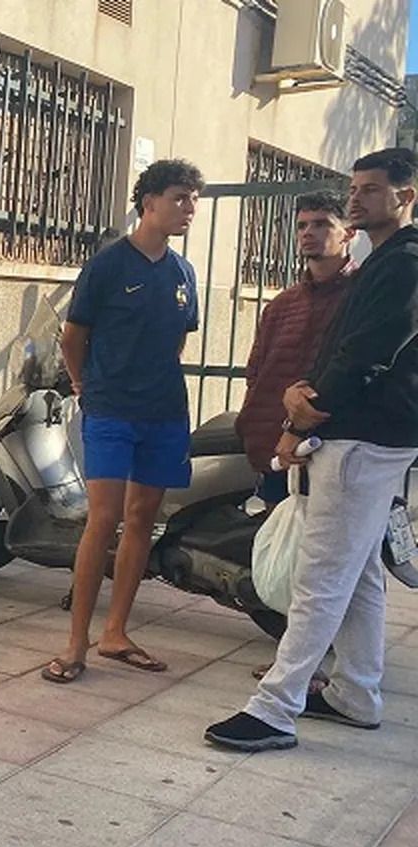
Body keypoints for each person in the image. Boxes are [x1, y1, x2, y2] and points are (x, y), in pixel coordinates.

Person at [207, 148, 418, 751]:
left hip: (362, 439)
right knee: (359, 577)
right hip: (363, 434)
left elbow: (370, 353)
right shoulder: (382, 261)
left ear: (405, 196)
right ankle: (355, 693)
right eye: (354, 188)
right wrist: (304, 392)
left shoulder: (404, 262)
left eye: (371, 190)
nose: (356, 199)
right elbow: (346, 347)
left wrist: (305, 415)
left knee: (322, 575)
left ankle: (275, 707)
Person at [43, 159, 204, 684]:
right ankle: (75, 644)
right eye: (180, 197)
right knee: (103, 517)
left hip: (165, 413)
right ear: (149, 202)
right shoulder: (108, 265)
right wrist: (86, 384)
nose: (189, 208)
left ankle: (116, 632)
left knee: (141, 520)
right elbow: (73, 337)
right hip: (111, 409)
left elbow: (179, 338)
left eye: (194, 200)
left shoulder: (184, 274)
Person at [237, 192, 355, 510]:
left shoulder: (363, 295)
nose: (308, 233)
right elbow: (256, 373)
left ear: (349, 232)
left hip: (337, 448)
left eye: (321, 224)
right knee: (278, 550)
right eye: (302, 225)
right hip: (277, 449)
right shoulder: (281, 305)